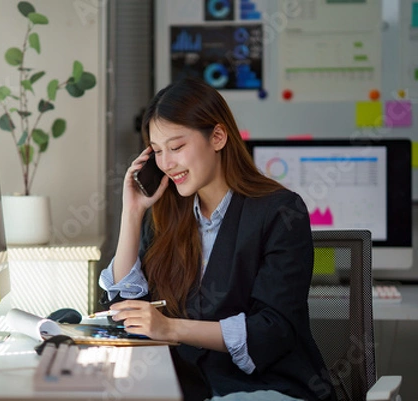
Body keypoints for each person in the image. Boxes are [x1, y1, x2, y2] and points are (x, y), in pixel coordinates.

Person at [98, 78, 335, 401]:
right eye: (157, 151)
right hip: (190, 387)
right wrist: (132, 213)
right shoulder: (169, 215)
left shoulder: (279, 212)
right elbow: (126, 308)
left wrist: (170, 328)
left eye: (177, 147)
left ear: (218, 137)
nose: (166, 163)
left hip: (269, 388)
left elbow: (272, 330)